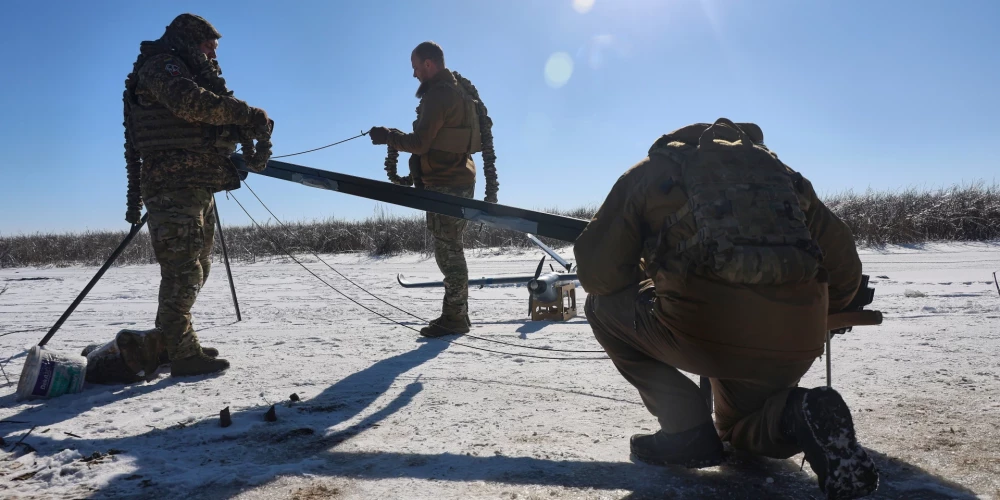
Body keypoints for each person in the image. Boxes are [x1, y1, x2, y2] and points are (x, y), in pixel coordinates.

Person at [573, 119, 879, 499]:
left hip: (705, 330)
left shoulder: (651, 173)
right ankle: (798, 411)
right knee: (740, 429)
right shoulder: (783, 177)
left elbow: (599, 276)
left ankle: (685, 431)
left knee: (601, 307)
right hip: (797, 333)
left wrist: (650, 274)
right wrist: (821, 317)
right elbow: (844, 261)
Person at [122, 13, 272, 376]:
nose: (212, 54)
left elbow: (207, 110)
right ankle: (182, 354)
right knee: (182, 272)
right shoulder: (162, 67)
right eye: (208, 46)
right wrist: (249, 114)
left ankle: (171, 341)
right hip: (172, 187)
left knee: (198, 268)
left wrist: (246, 126)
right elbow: (192, 103)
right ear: (189, 40)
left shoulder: (185, 68)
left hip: (196, 183)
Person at [368, 41, 498, 338]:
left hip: (445, 185)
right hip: (459, 181)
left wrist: (389, 137)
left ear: (429, 64)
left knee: (449, 254)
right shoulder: (458, 92)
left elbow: (421, 144)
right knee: (450, 250)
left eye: (415, 67)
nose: (414, 75)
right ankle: (456, 315)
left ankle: (455, 318)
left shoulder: (438, 95)